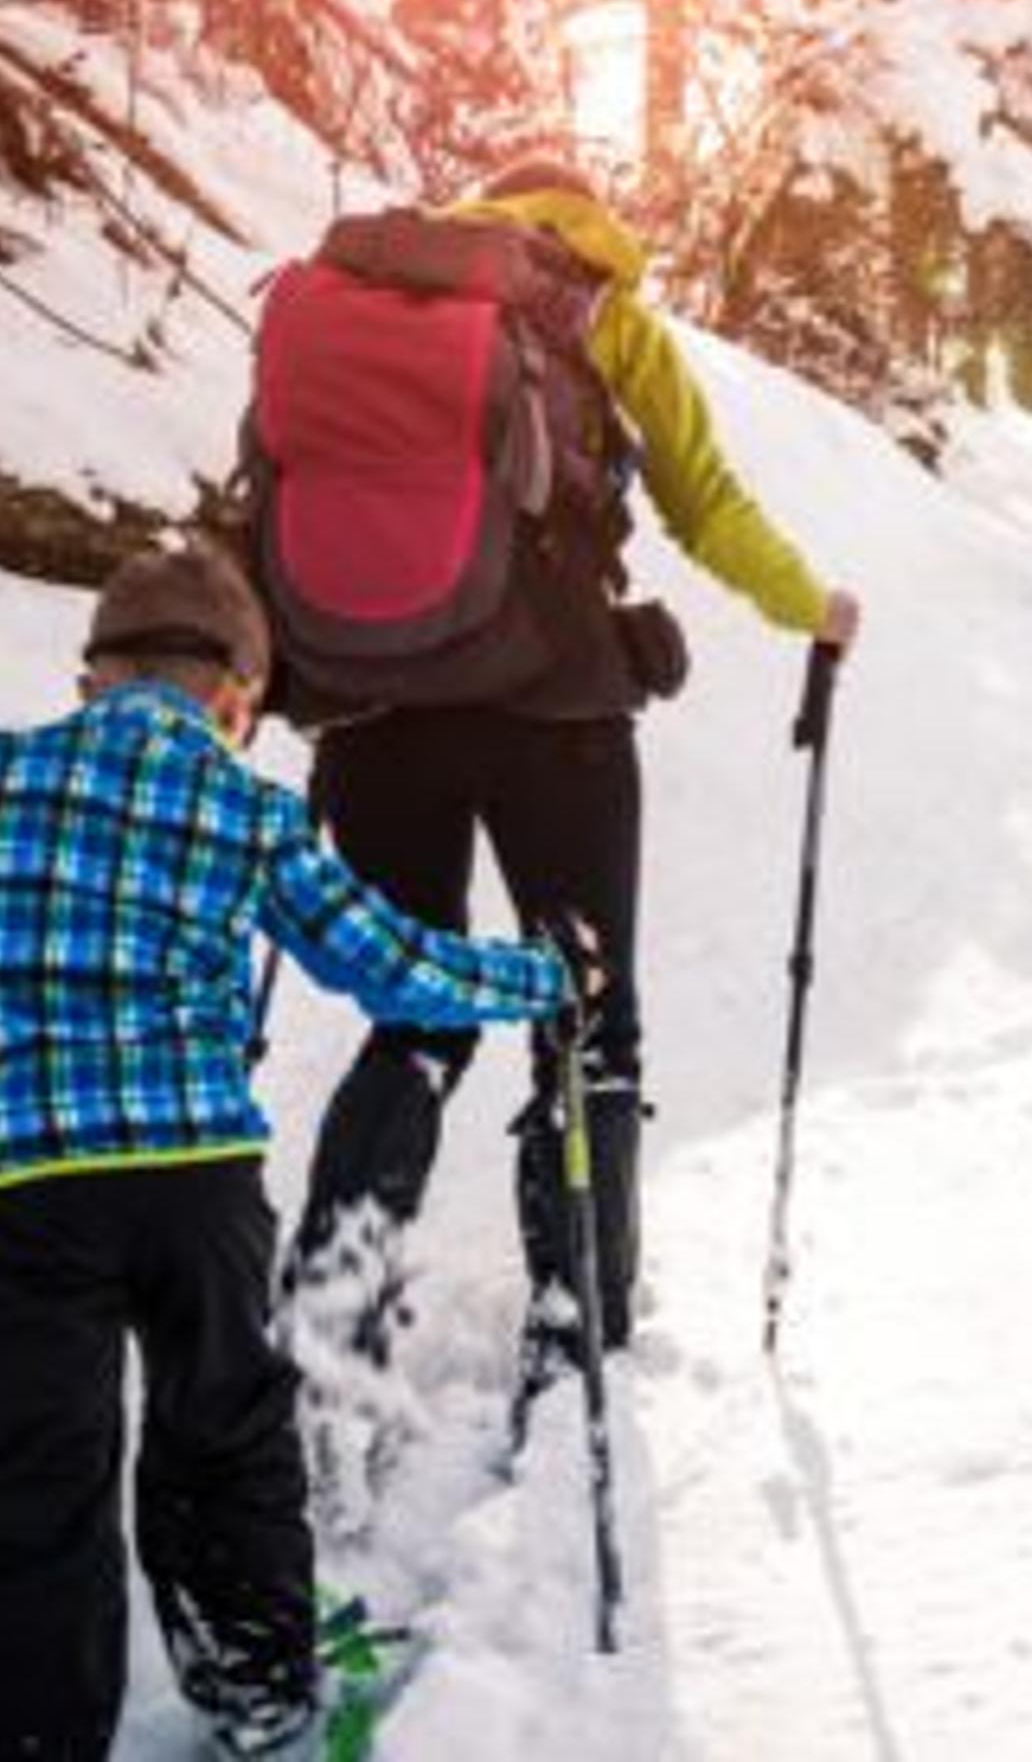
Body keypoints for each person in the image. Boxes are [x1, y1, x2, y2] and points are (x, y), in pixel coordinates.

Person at [0, 544, 570, 1760]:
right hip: (197, 1188)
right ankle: (259, 1696)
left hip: (23, 1199)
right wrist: (547, 975)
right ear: (237, 700)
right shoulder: (247, 808)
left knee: (35, 1493)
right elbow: (392, 967)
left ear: (93, 680)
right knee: (227, 1442)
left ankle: (22, 1743)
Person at [284, 157, 862, 1392]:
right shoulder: (602, 314)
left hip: (375, 704)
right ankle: (576, 1304)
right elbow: (708, 507)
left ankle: (339, 1292)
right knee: (590, 1012)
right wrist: (814, 607)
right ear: (578, 218)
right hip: (560, 712)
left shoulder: (364, 296)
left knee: (416, 1010)